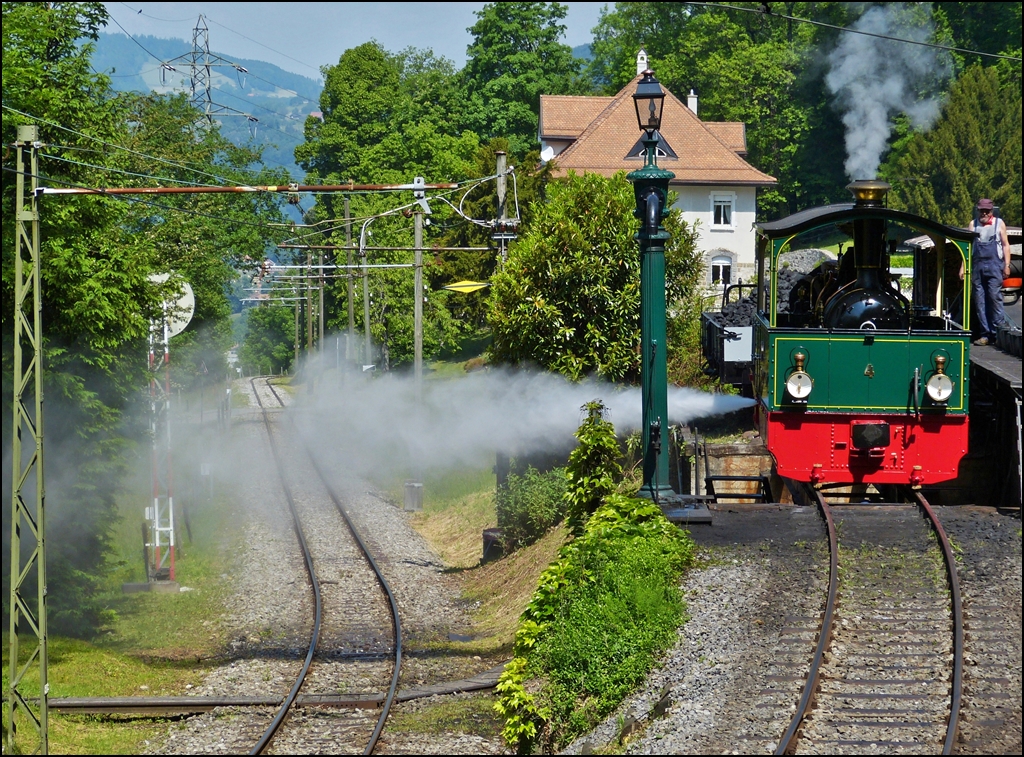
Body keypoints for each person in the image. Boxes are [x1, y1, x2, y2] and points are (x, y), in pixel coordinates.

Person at [962, 198, 1011, 345]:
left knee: (994, 297)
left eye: (986, 211)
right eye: (981, 210)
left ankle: (999, 332)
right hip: (977, 267)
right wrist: (963, 267)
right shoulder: (973, 224)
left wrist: (1007, 265)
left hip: (995, 266)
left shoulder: (999, 223)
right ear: (978, 210)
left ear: (991, 211)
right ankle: (985, 334)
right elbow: (967, 247)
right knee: (979, 301)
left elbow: (1005, 245)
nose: (984, 213)